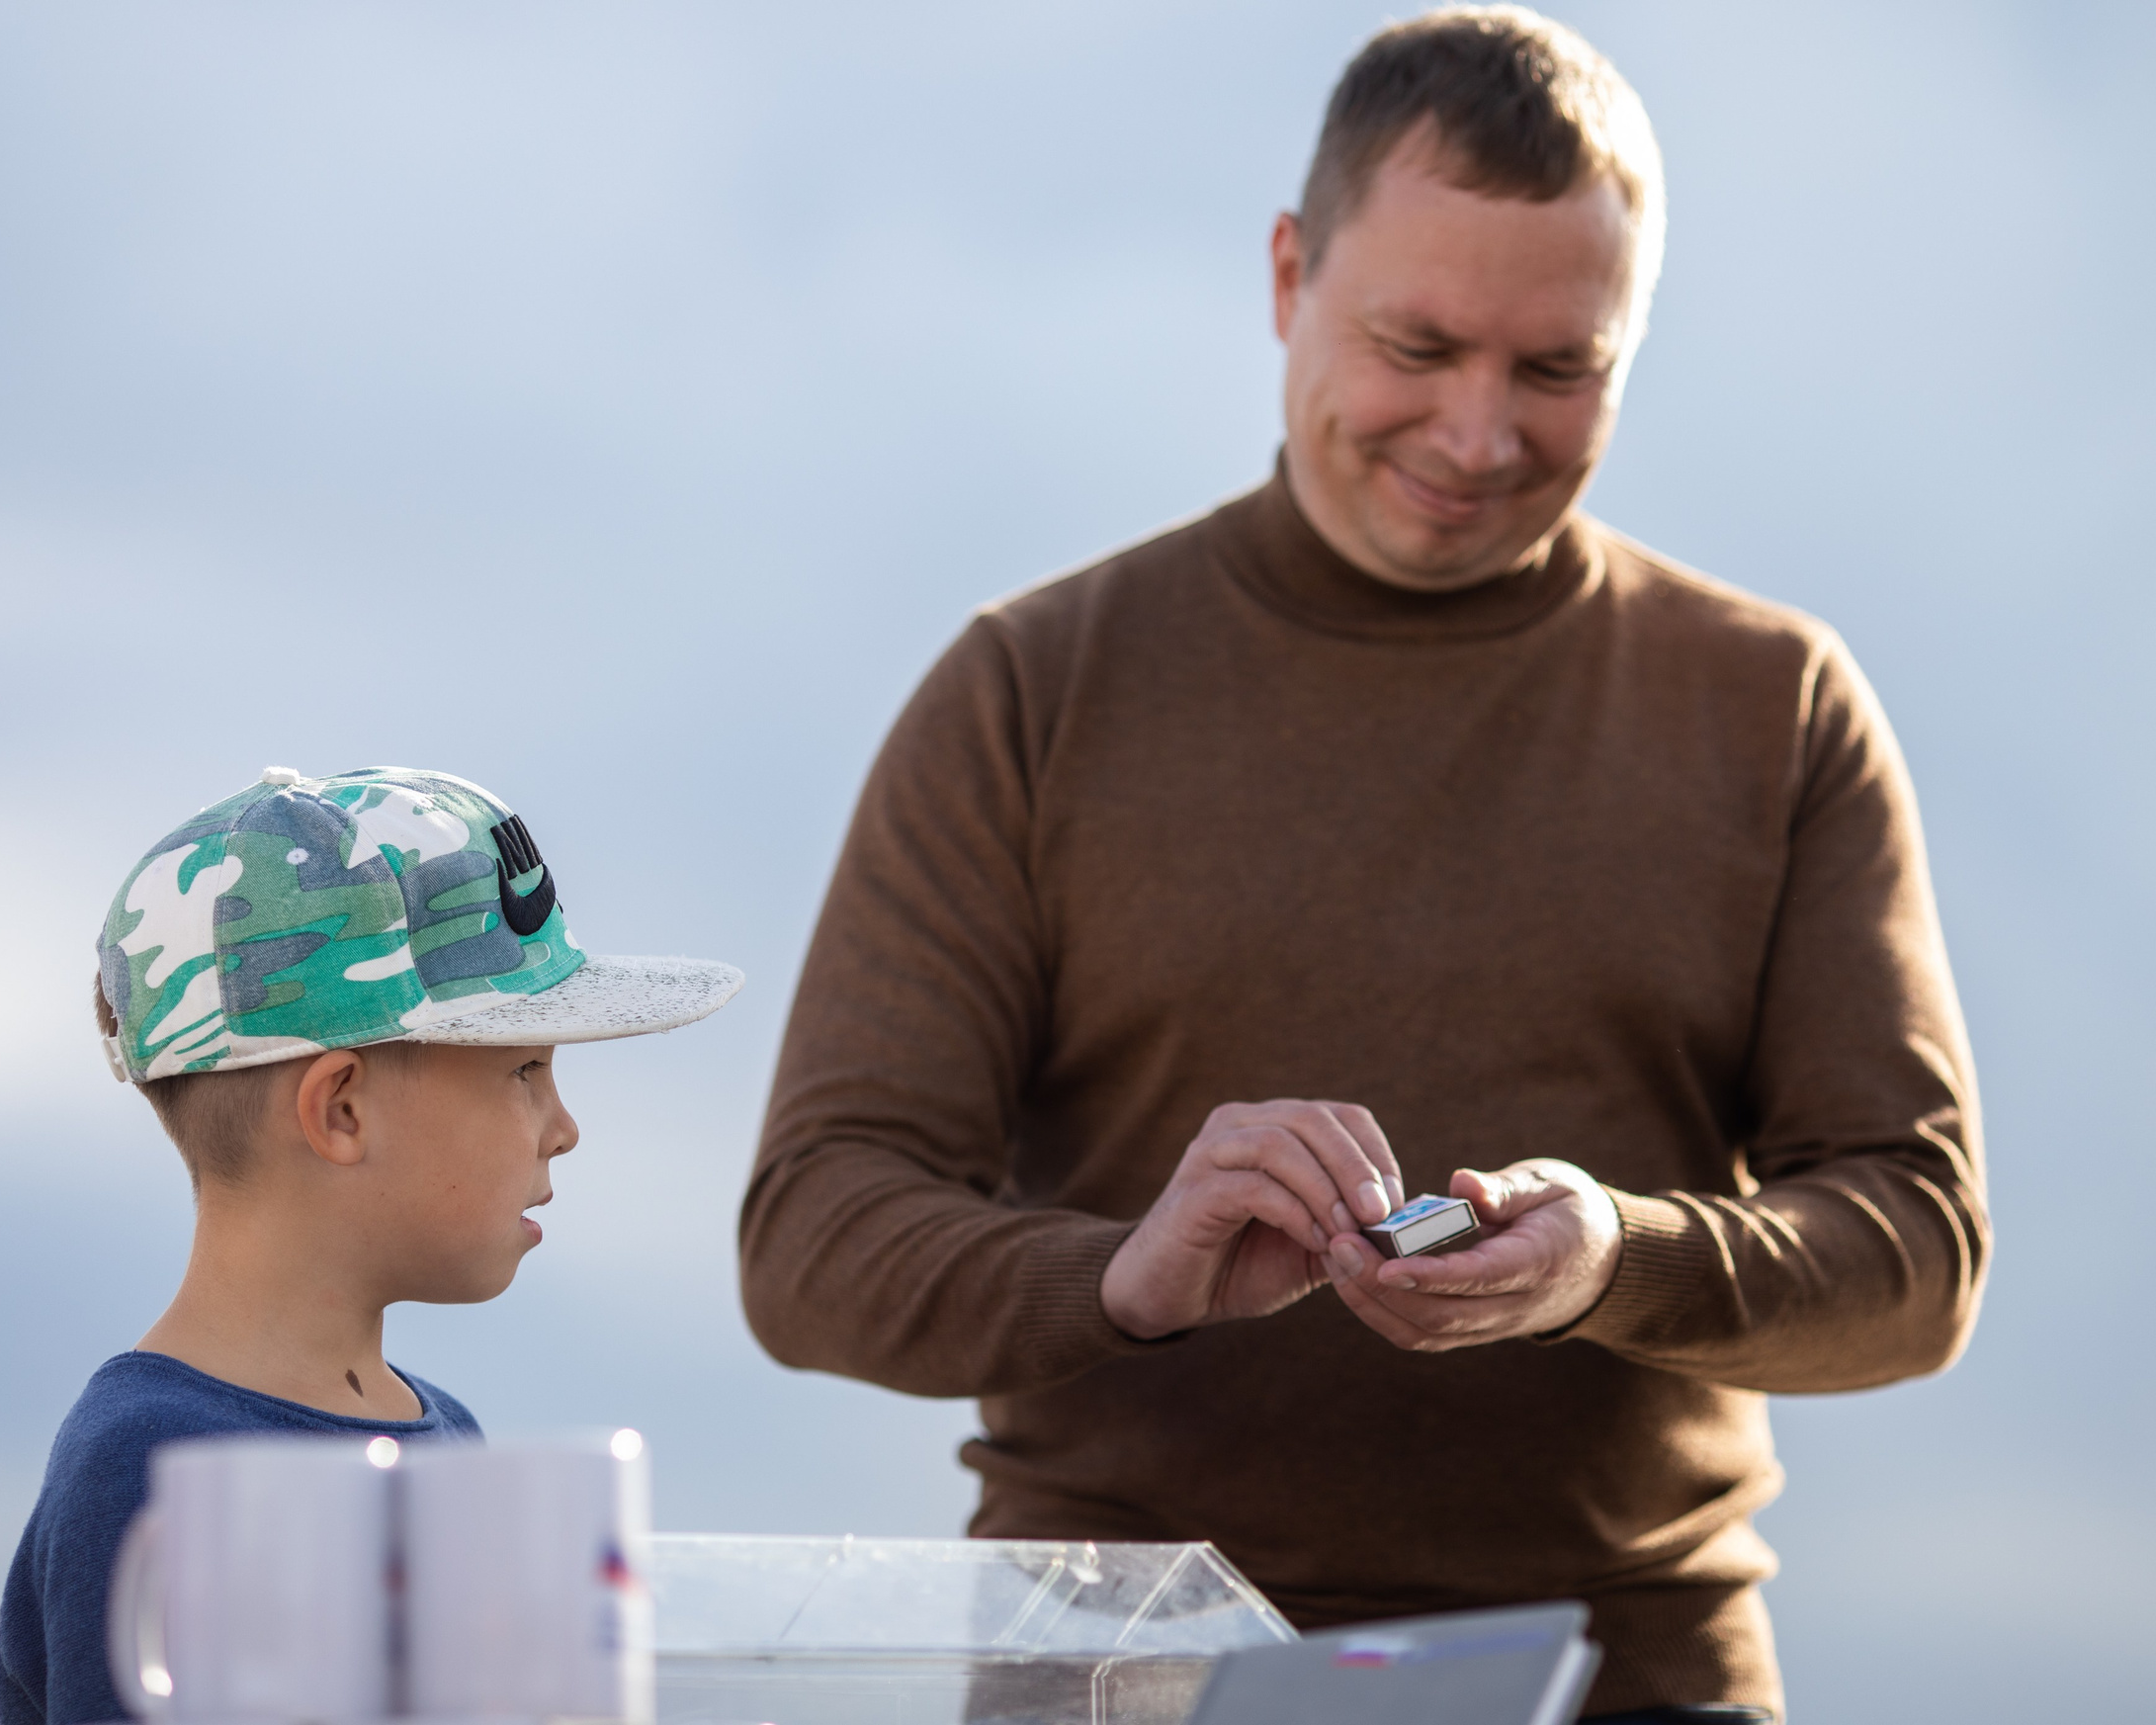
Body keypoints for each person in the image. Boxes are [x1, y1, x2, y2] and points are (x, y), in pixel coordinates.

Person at [739, 9, 1985, 1721]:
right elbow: (811, 1238)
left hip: (1632, 1664)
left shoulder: (1775, 704)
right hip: (1120, 1666)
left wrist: (1616, 1254)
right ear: (1285, 276)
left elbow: (1917, 1255)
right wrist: (1127, 1275)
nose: (1478, 437)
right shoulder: (1032, 688)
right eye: (1420, 346)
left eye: (1560, 370)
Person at [0, 764, 742, 1725]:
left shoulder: (448, 1433)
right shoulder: (158, 1470)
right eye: (524, 1069)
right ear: (341, 1108)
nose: (563, 1126)